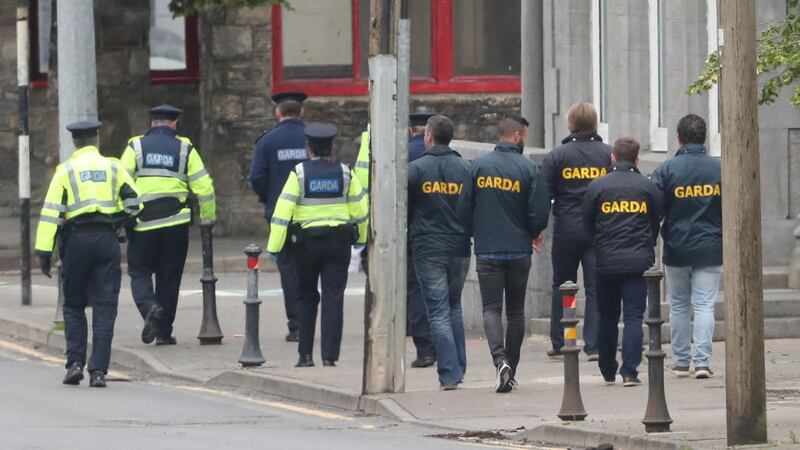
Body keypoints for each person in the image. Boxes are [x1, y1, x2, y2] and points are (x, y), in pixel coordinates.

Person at [35, 120, 140, 387]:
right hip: (106, 240)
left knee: (73, 305)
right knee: (105, 307)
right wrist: (118, 219)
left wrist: (44, 252)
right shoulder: (114, 167)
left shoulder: (65, 171)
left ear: (75, 142)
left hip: (77, 242)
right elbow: (135, 204)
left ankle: (74, 364)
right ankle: (99, 371)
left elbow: (50, 215)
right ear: (98, 140)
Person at [267, 123, 369, 368]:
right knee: (334, 297)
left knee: (305, 296)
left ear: (308, 148)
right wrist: (361, 239)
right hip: (338, 243)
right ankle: (329, 356)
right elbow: (361, 210)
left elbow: (283, 212)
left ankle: (305, 356)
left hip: (306, 245)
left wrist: (275, 247)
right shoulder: (345, 173)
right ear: (331, 147)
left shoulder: (299, 174)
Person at [121, 105, 216, 346]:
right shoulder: (185, 147)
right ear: (174, 124)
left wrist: (124, 214)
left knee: (139, 272)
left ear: (152, 122)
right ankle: (163, 332)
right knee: (169, 276)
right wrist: (207, 218)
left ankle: (149, 308)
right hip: (176, 224)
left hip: (143, 223)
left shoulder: (136, 146)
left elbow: (120, 181)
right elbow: (204, 188)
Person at [470, 115, 551, 393]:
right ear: (517, 136)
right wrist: (534, 232)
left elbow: (464, 206)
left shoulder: (478, 167)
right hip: (518, 250)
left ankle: (499, 361)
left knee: (491, 308)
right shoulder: (528, 169)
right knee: (516, 312)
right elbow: (539, 211)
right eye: (525, 136)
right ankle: (511, 370)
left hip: (488, 248)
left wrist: (476, 231)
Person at [353, 112, 438, 368]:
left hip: (408, 230)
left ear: (412, 129)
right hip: (443, 232)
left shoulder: (399, 154)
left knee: (412, 288)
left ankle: (423, 346)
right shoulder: (449, 159)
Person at [581, 137, 663, 387]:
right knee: (634, 318)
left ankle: (607, 368)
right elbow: (656, 219)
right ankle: (630, 371)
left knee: (607, 317)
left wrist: (602, 242)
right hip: (637, 262)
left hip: (606, 261)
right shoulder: (647, 187)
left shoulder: (597, 187)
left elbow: (587, 222)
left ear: (613, 158)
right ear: (637, 159)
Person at [651, 114, 721, 379]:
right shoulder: (719, 169)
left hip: (677, 246)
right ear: (704, 137)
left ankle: (681, 361)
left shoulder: (666, 170)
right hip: (711, 246)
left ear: (678, 137)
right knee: (704, 305)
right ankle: (702, 362)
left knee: (679, 304)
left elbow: (655, 209)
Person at [542, 102, 611, 361]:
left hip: (566, 231)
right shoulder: (608, 155)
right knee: (595, 288)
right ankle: (593, 344)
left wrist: (539, 227)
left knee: (563, 286)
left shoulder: (557, 156)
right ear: (594, 123)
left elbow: (544, 196)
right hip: (598, 230)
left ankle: (562, 340)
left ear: (570, 124)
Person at [408, 115, 472, 390]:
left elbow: (406, 210)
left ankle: (448, 372)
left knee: (437, 311)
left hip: (428, 247)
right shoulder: (465, 168)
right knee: (454, 306)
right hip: (458, 246)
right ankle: (458, 366)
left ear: (429, 137)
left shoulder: (415, 169)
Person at [250, 92, 309, 342]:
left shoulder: (268, 141)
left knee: (288, 270)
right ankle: (310, 320)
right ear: (301, 112)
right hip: (311, 213)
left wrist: (271, 197)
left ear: (278, 112)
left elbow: (257, 177)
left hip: (280, 215)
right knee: (310, 269)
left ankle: (296, 325)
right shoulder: (312, 137)